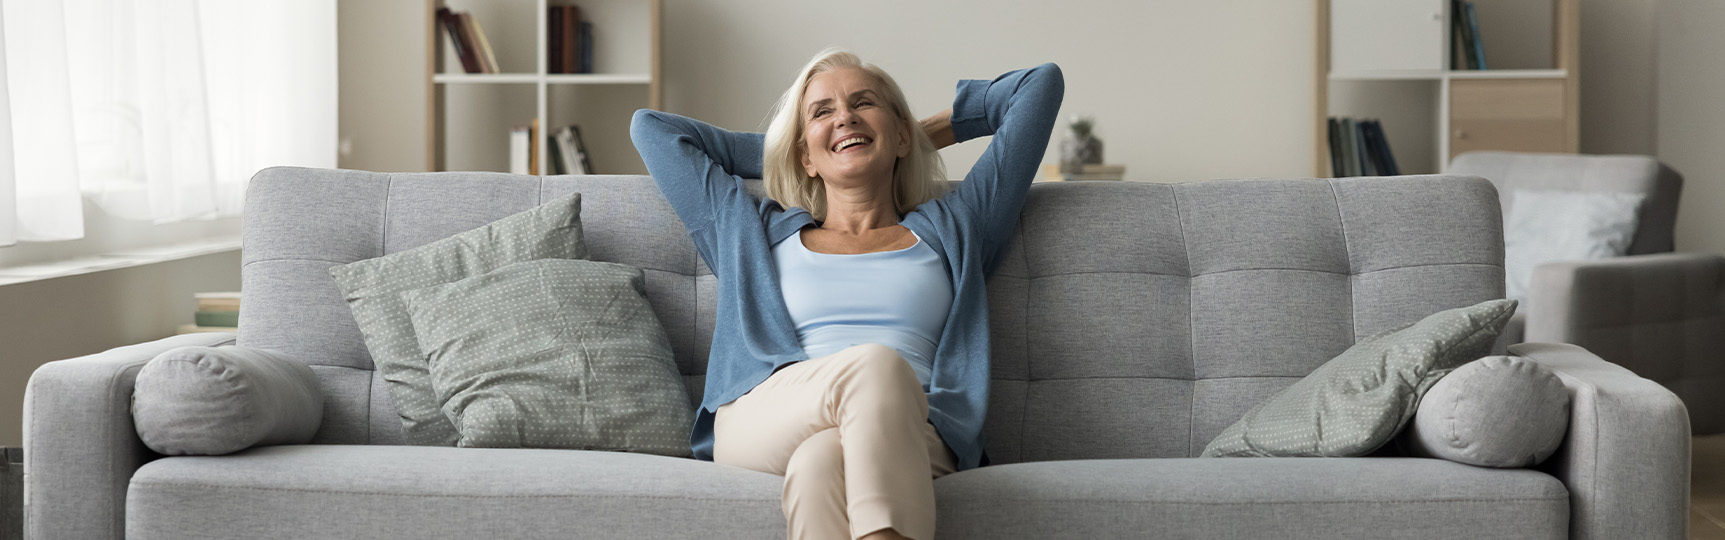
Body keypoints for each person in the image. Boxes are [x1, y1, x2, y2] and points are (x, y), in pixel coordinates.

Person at [630, 47, 1063, 540]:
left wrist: (912, 135)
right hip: (767, 415)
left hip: (917, 428)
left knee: (821, 462)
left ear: (902, 134)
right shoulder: (751, 233)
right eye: (822, 111)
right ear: (803, 157)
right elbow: (653, 129)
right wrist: (816, 145)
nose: (845, 117)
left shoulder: (959, 226)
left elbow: (1039, 87)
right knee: (874, 365)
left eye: (863, 104)